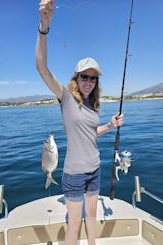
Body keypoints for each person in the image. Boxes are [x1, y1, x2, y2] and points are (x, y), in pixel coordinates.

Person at [36, 1, 123, 244]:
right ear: (77, 77)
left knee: (92, 218)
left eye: (93, 78)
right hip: (74, 174)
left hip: (95, 168)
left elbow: (90, 133)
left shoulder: (94, 104)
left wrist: (110, 126)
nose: (88, 81)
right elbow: (42, 68)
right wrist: (44, 27)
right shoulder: (65, 97)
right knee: (74, 225)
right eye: (84, 76)